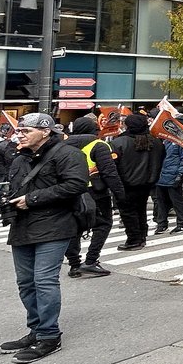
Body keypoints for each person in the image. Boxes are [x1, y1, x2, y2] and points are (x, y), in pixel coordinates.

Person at [0, 112, 89, 364]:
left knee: (44, 280)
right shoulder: (19, 158)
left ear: (46, 130)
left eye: (26, 131)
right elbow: (17, 187)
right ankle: (36, 330)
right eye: (20, 131)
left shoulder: (68, 154)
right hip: (22, 226)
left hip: (55, 225)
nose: (20, 134)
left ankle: (49, 336)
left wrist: (32, 199)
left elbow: (76, 184)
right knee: (26, 282)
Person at [64, 115, 126, 278]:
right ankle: (91, 260)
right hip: (95, 192)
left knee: (73, 227)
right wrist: (120, 195)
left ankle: (74, 264)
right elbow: (110, 173)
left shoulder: (62, 145)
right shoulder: (99, 145)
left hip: (69, 192)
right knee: (103, 223)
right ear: (93, 129)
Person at [110, 114, 163, 252]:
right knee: (141, 209)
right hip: (147, 183)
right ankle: (141, 237)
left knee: (128, 212)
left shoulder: (119, 142)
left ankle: (134, 239)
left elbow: (112, 164)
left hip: (126, 184)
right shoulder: (156, 142)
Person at [153, 133, 183, 235]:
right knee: (161, 201)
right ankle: (162, 224)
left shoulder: (180, 141)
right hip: (161, 175)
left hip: (173, 175)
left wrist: (181, 173)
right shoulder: (163, 140)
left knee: (177, 201)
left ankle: (182, 223)